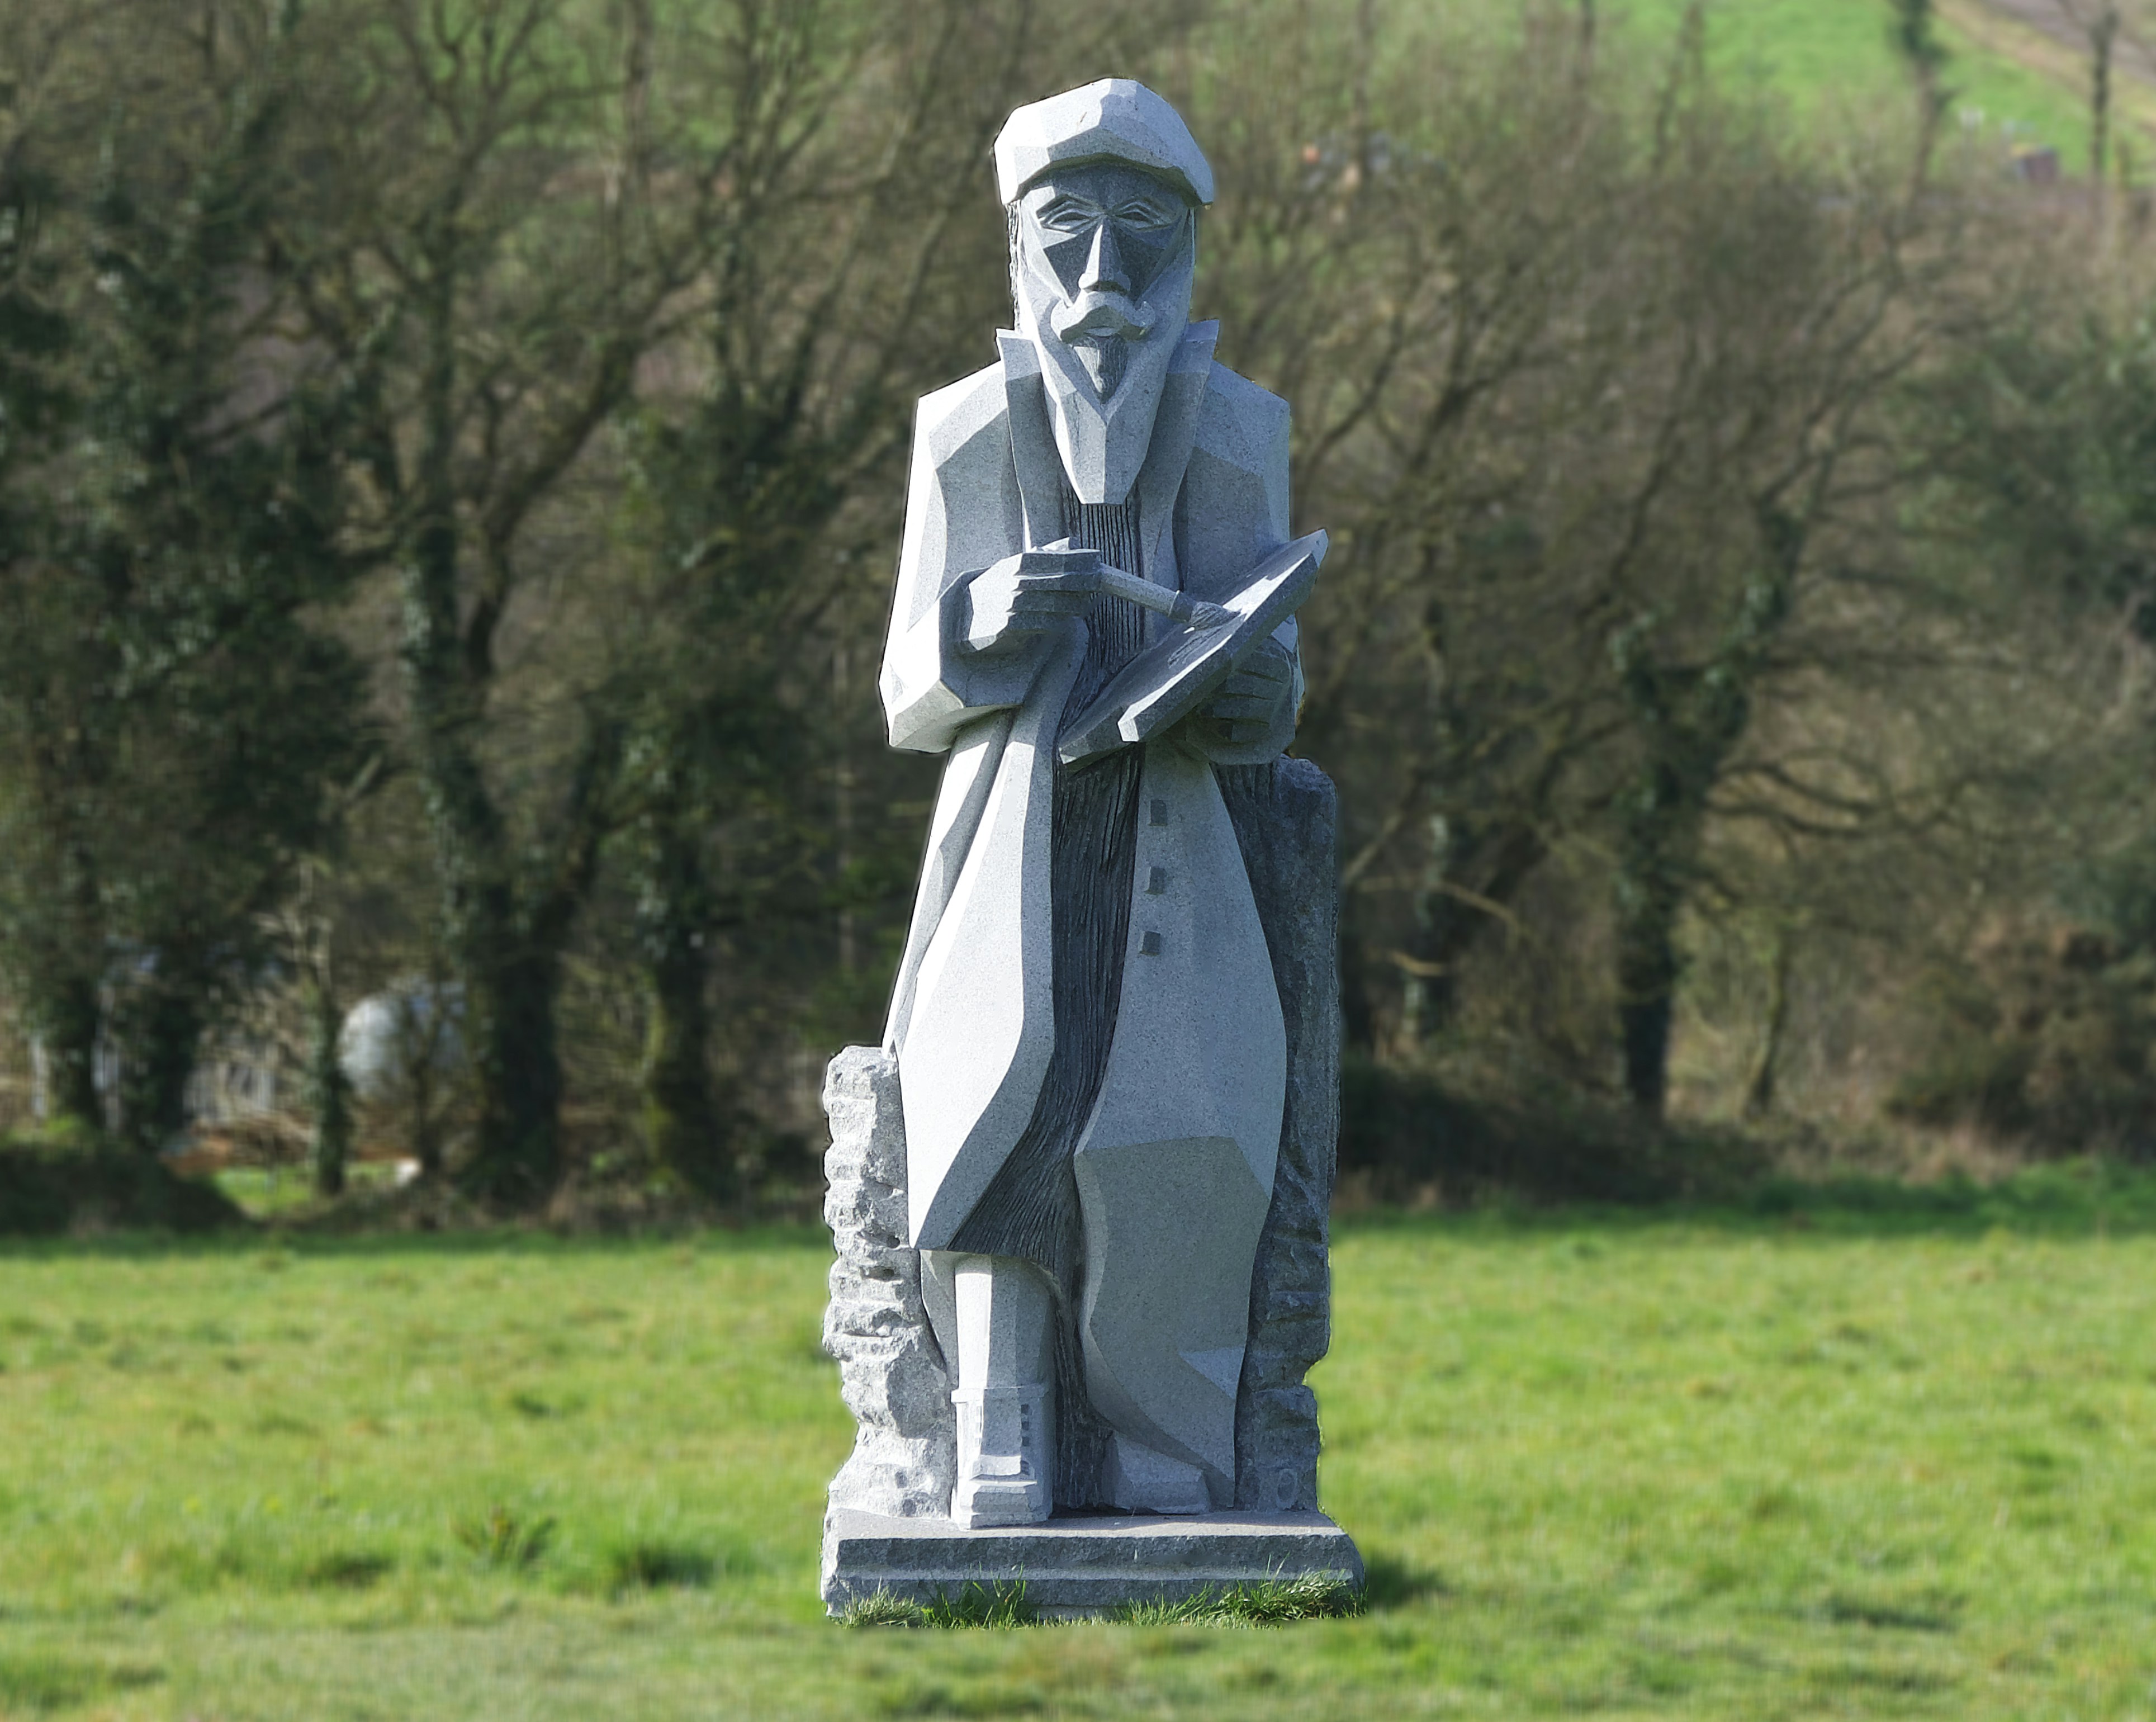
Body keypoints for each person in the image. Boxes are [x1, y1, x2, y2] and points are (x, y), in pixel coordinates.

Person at [879, 79, 1310, 1524]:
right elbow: (905, 694)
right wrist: (981, 621)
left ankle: (1170, 1453)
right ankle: (998, 1427)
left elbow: (1274, 676)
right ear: (1014, 245)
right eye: (1066, 235)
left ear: (1189, 244)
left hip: (1177, 841)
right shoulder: (966, 432)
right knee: (992, 1116)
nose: (1100, 282)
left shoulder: (1240, 429)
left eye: (1141, 235)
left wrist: (1249, 685)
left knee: (1181, 1139)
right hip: (1013, 836)